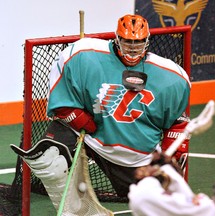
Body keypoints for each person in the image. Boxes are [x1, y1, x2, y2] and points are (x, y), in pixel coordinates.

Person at [11, 14, 191, 210]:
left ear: (147, 42)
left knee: (157, 204)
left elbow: (178, 123)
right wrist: (74, 115)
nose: (132, 48)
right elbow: (61, 92)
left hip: (137, 157)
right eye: (127, 42)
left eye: (138, 42)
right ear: (116, 38)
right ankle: (75, 211)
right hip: (92, 138)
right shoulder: (83, 55)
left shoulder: (172, 77)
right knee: (51, 157)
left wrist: (170, 155)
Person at [128, 152, 215, 216]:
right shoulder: (207, 210)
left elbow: (139, 199)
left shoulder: (207, 209)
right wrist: (169, 170)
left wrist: (148, 179)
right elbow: (187, 199)